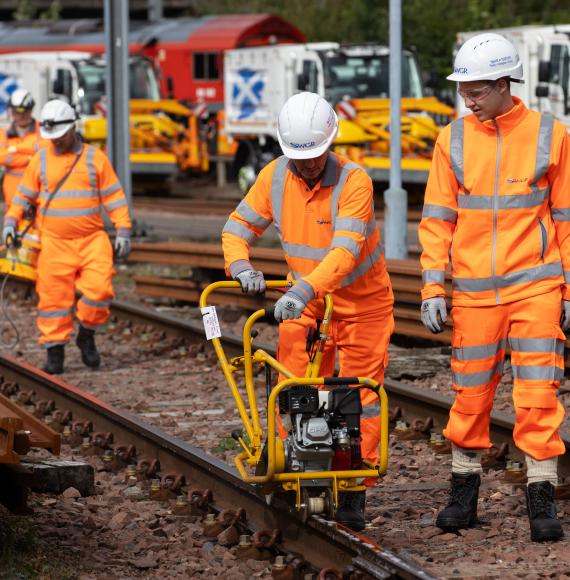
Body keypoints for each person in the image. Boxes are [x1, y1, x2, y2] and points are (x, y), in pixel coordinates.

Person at [418, 33, 570, 542]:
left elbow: (567, 220)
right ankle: (463, 497)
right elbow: (437, 220)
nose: (467, 98)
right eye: (462, 88)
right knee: (470, 397)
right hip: (476, 293)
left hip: (537, 286)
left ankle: (542, 504)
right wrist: (432, 286)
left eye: (476, 89)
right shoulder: (452, 139)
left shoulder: (552, 135)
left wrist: (569, 290)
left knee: (537, 396)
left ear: (505, 84)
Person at [222, 92, 394, 531]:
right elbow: (236, 229)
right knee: (294, 381)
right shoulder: (274, 177)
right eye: (301, 158)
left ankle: (354, 486)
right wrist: (241, 265)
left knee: (360, 398)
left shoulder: (355, 182)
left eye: (316, 156)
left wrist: (301, 291)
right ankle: (291, 465)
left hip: (361, 306)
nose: (309, 165)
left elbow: (343, 253)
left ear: (330, 144)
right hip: (307, 302)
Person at [2, 99, 132, 374]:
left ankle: (86, 332)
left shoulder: (94, 158)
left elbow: (114, 197)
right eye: (52, 138)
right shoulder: (41, 159)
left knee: (100, 291)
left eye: (60, 136)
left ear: (72, 128)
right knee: (53, 299)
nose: (56, 142)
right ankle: (55, 350)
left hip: (92, 240)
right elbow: (23, 196)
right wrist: (10, 223)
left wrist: (123, 230)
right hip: (53, 243)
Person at [0, 89, 47, 209]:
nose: (22, 115)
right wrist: (30, 156)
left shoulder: (43, 130)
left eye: (26, 111)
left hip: (38, 193)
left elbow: (46, 153)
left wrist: (14, 149)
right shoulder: (4, 132)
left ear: (31, 110)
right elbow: (2, 157)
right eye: (17, 112)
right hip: (12, 194)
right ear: (12, 111)